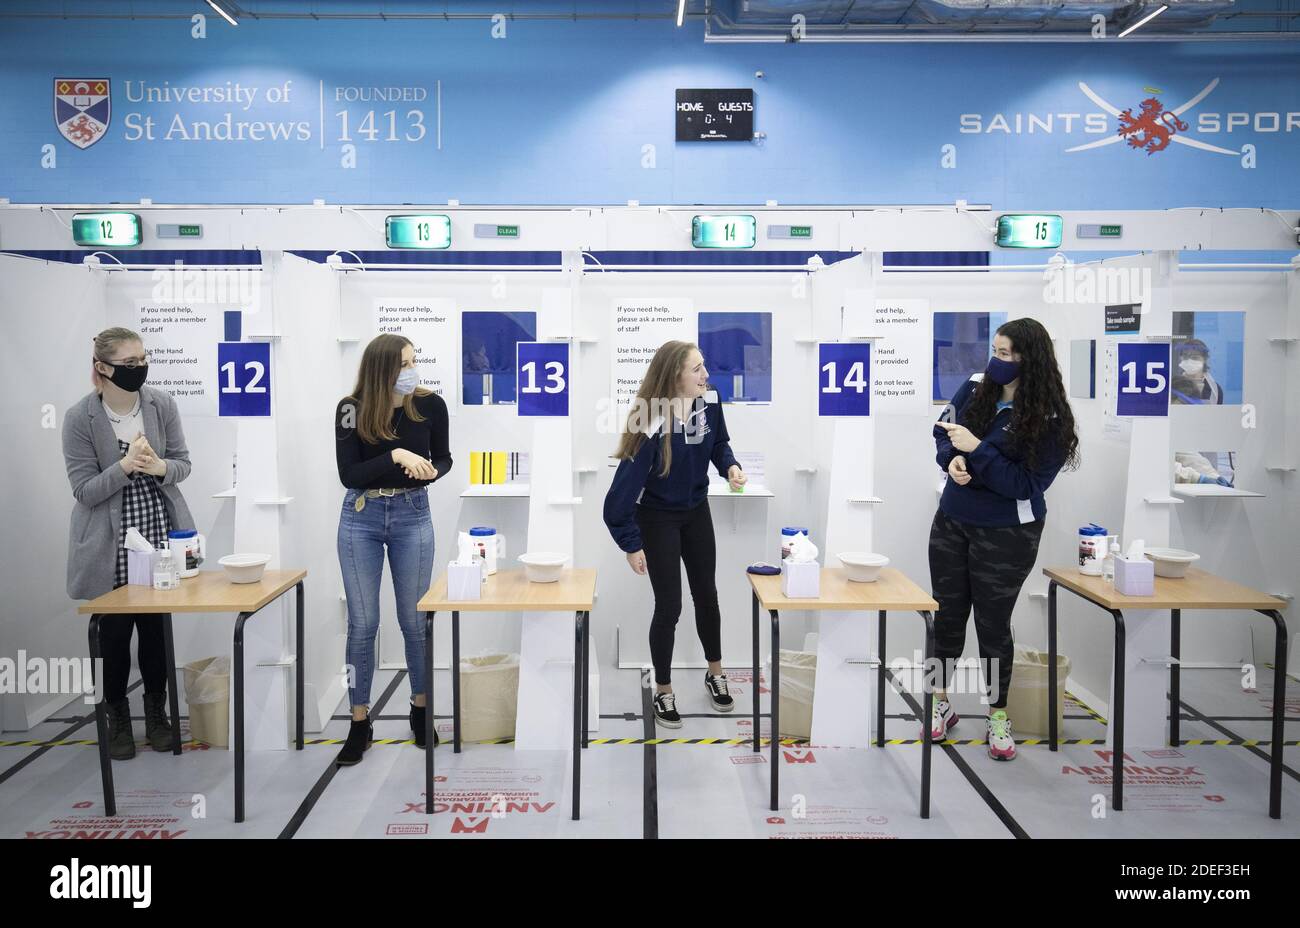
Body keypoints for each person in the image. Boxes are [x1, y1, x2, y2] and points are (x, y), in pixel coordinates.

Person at [930, 318, 1079, 761]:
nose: (997, 361)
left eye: (1008, 354)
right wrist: (952, 461)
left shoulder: (1050, 417)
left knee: (993, 626)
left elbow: (1023, 484)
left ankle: (998, 713)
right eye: (995, 350)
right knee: (946, 618)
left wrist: (978, 450)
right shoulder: (976, 386)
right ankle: (939, 702)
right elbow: (943, 431)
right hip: (952, 521)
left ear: (1030, 359)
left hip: (1008, 533)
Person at [62, 327, 194, 760]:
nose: (139, 368)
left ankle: (157, 714)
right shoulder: (80, 417)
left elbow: (183, 465)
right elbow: (83, 490)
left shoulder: (161, 403)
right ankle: (116, 716)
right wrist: (123, 465)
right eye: (129, 363)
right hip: (107, 542)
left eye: (143, 359)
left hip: (158, 532)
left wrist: (158, 466)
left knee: (156, 632)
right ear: (102, 368)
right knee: (112, 636)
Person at [603, 341, 746, 729]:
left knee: (708, 596)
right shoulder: (648, 420)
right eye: (697, 369)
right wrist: (631, 543)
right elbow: (619, 495)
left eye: (704, 367)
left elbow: (719, 444)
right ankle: (663, 690)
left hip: (696, 511)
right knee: (670, 607)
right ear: (675, 376)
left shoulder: (709, 402)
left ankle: (715, 672)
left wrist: (729, 467)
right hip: (657, 518)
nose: (706, 375)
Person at [334, 334, 452, 766]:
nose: (412, 370)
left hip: (412, 515)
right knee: (363, 623)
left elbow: (445, 458)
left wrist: (429, 473)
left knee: (415, 620)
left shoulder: (430, 406)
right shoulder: (351, 409)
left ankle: (421, 709)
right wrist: (398, 455)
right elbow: (350, 473)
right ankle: (359, 721)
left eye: (414, 361)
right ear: (382, 368)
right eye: (404, 363)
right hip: (360, 517)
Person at [1170, 339, 1223, 405]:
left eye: (1195, 357)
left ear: (1205, 359)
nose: (1189, 361)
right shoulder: (1171, 385)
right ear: (1181, 358)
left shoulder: (1215, 390)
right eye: (1185, 357)